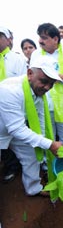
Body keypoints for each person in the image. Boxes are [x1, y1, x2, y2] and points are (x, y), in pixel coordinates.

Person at [0, 56, 63, 196]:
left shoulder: (38, 92)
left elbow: (40, 118)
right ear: (30, 74)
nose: (47, 87)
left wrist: (41, 141)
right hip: (7, 129)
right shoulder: (10, 90)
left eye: (51, 84)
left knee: (31, 155)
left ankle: (34, 189)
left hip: (14, 128)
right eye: (44, 81)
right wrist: (49, 144)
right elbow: (16, 129)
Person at [30, 23, 63, 145]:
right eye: (39, 37)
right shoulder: (36, 55)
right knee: (48, 140)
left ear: (55, 39)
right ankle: (49, 164)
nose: (40, 41)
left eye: (44, 38)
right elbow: (31, 76)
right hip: (43, 105)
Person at [0, 26, 27, 183]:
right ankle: (9, 166)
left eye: (0, 36)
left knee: (17, 138)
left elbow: (24, 85)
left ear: (8, 39)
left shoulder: (18, 59)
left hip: (14, 108)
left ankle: (16, 167)